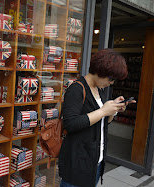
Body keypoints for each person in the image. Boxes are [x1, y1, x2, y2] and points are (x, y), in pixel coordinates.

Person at [58, 49, 136, 187]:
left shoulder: (99, 90)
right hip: (77, 162)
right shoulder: (76, 89)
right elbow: (70, 123)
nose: (111, 83)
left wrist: (113, 110)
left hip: (94, 160)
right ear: (100, 71)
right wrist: (103, 111)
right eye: (111, 78)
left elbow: (103, 122)